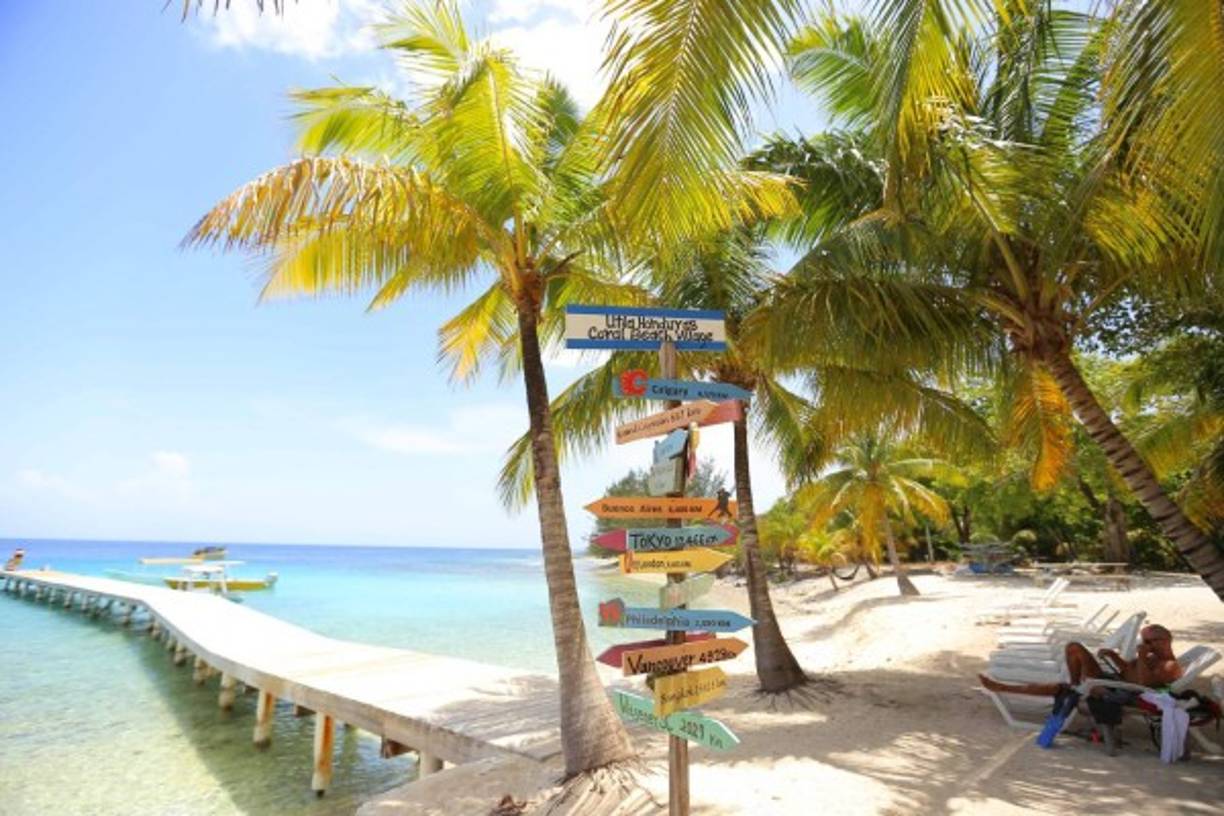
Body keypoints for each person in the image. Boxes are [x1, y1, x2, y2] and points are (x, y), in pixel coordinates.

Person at [979, 624, 1183, 696]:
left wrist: (1140, 656)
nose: (1144, 644)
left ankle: (1003, 688)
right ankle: (1074, 685)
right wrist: (1114, 657)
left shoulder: (1170, 666)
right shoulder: (1152, 657)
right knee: (1074, 647)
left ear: (1164, 642)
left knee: (1057, 689)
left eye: (1148, 641)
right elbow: (1127, 671)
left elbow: (1144, 684)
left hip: (1120, 691)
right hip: (1115, 680)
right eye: (1143, 640)